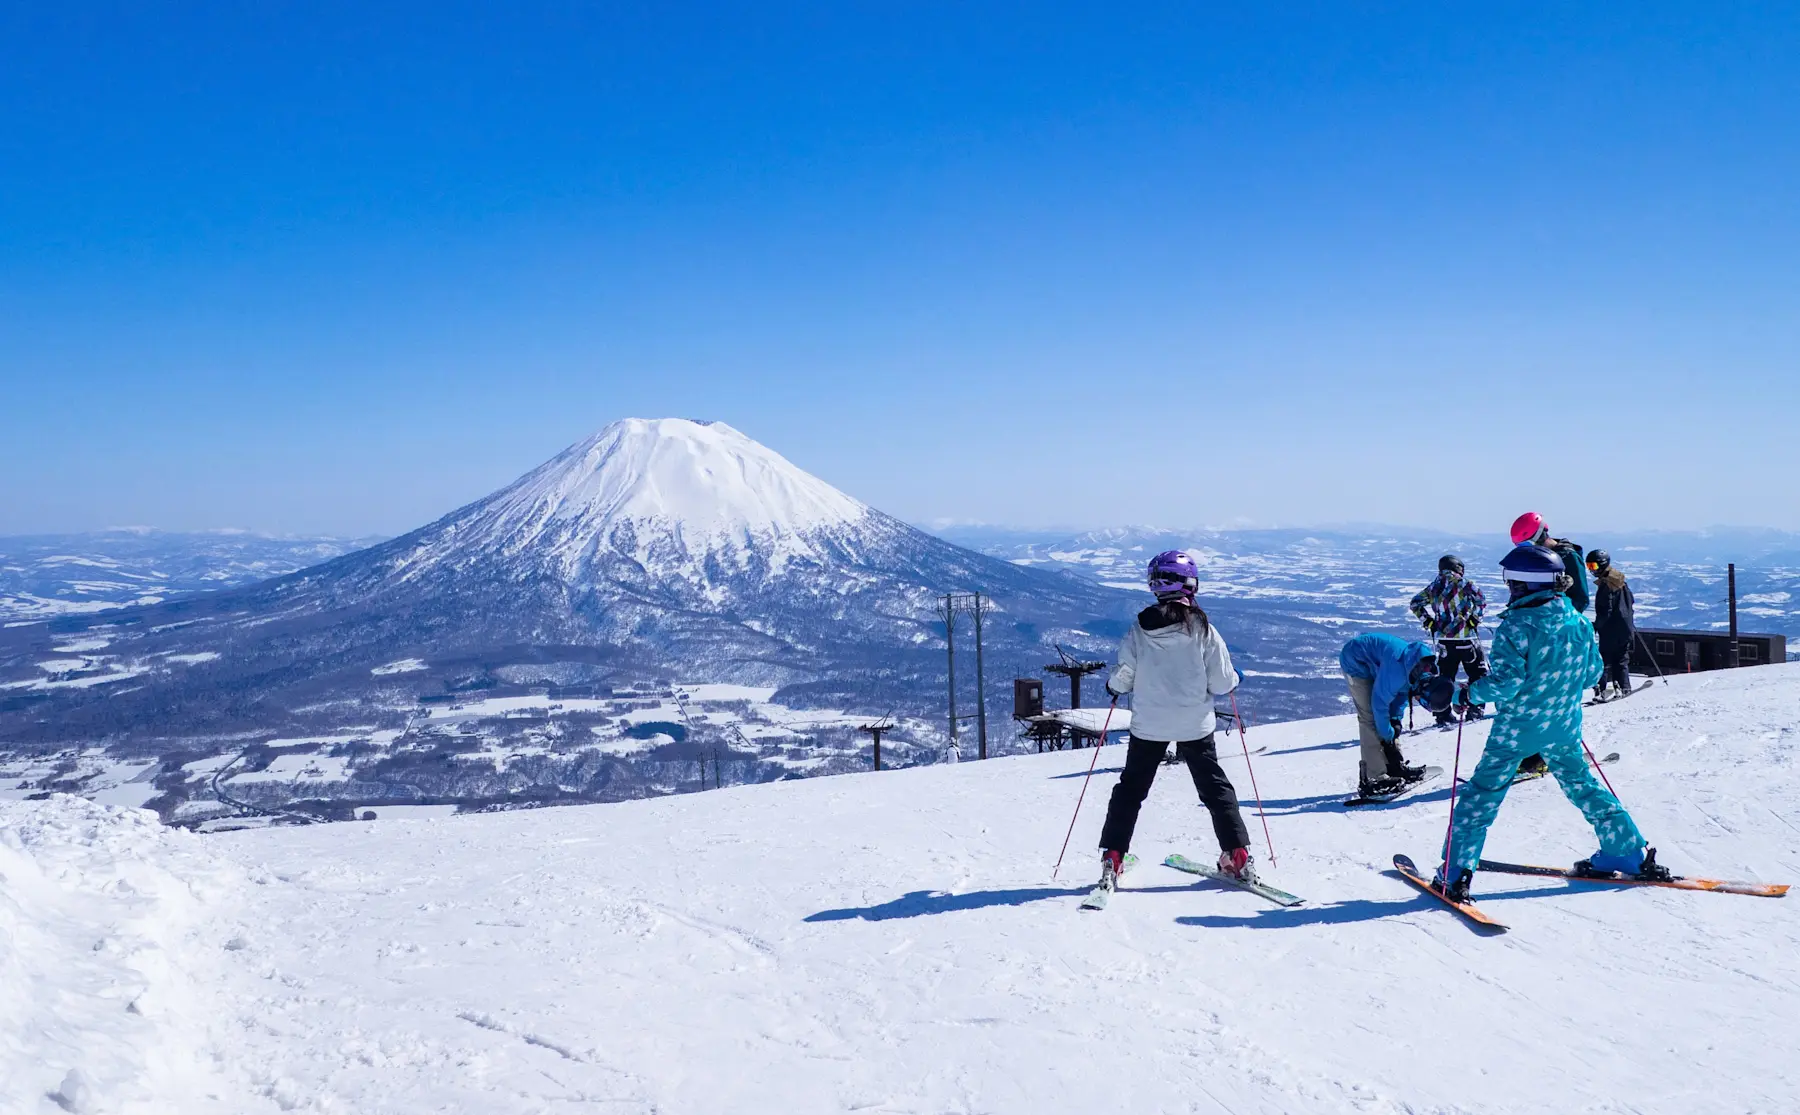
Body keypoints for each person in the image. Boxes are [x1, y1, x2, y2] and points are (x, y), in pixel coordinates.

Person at [1432, 543, 1667, 901]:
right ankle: (1627, 851)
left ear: (1524, 584)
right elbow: (1591, 674)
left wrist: (1466, 694)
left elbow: (1506, 684)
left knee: (1482, 796)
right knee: (1582, 784)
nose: (1509, 587)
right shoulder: (1577, 621)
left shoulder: (1517, 626)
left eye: (1511, 582)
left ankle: (1455, 873)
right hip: (1564, 723)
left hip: (1517, 729)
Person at [1095, 550, 1253, 892]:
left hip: (1149, 725)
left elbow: (1124, 675)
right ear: (1191, 584)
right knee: (1214, 787)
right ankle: (1238, 856)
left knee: (1131, 790)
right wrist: (1235, 677)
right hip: (1195, 725)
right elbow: (1223, 683)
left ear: (1154, 586)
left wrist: (1113, 686)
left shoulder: (1139, 628)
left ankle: (1114, 857)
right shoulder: (1202, 628)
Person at [1508, 512, 1590, 775]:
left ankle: (1547, 752)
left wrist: (1558, 612)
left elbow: (1581, 599)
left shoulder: (1567, 557)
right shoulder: (1540, 558)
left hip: (1559, 636)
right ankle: (1534, 753)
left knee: (1550, 698)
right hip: (1540, 632)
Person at [1338, 632, 1436, 798]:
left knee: (1388, 719)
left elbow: (1402, 695)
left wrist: (1396, 720)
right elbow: (1379, 703)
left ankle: (1394, 765)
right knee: (1369, 717)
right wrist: (1387, 733)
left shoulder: (1419, 670)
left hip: (1375, 663)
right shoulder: (1397, 673)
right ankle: (1374, 777)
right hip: (1355, 661)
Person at [1409, 554, 1489, 725]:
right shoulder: (1465, 583)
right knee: (1476, 673)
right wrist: (1475, 619)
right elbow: (1481, 601)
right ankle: (1475, 709)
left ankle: (1443, 714)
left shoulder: (1434, 586)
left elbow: (1415, 603)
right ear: (1458, 567)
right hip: (1466, 637)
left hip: (1444, 640)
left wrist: (1429, 622)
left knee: (1446, 677)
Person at [1588, 549, 1636, 699]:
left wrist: (1595, 626)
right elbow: (1631, 601)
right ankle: (1624, 687)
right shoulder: (1620, 581)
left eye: (1593, 566)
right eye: (1589, 566)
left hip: (1611, 629)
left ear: (1602, 565)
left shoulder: (1607, 585)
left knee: (1604, 659)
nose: (1591, 570)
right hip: (1625, 627)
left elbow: (1605, 610)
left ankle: (1604, 690)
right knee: (1621, 658)